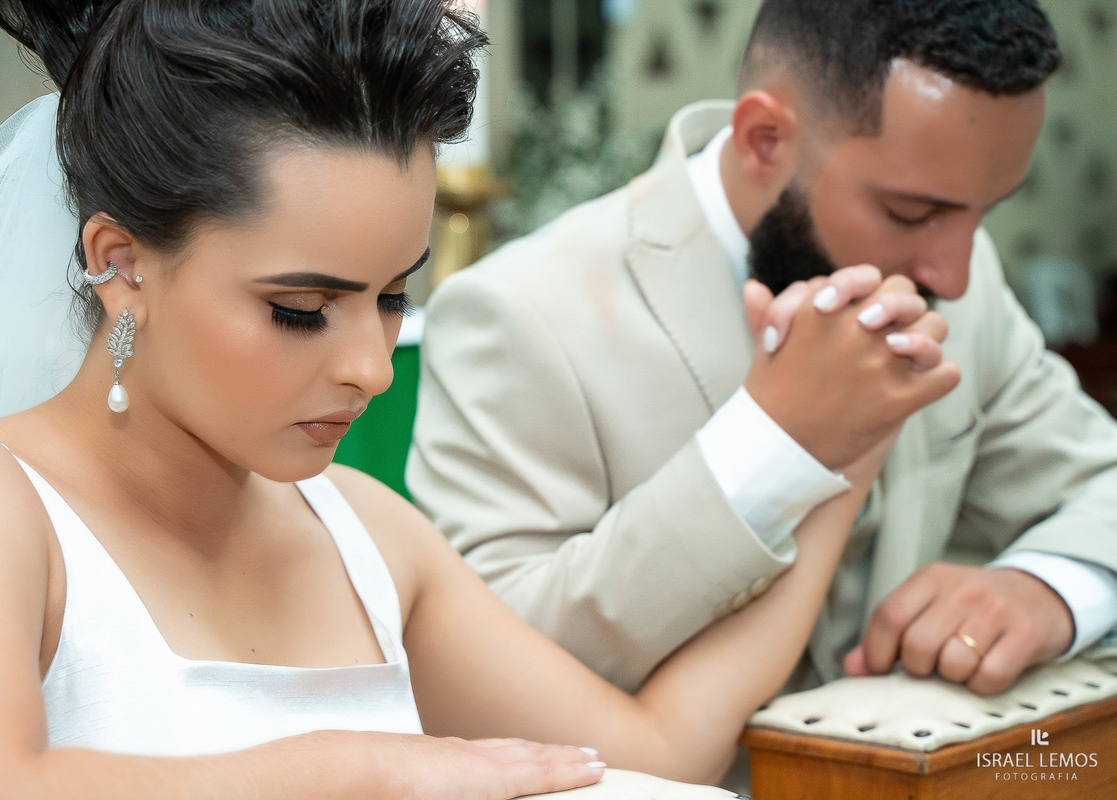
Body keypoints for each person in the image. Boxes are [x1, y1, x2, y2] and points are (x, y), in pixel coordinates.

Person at [0, 0, 956, 795]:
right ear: (120, 263)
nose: (371, 364)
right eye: (301, 307)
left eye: (394, 294)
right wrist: (355, 768)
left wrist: (838, 456)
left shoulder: (371, 535)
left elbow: (648, 751)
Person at [408, 0, 1117, 701]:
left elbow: (1101, 482)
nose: (954, 275)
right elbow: (479, 673)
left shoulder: (962, 277)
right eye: (911, 212)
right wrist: (770, 446)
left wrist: (1050, 591)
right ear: (764, 141)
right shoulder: (518, 312)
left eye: (982, 212)